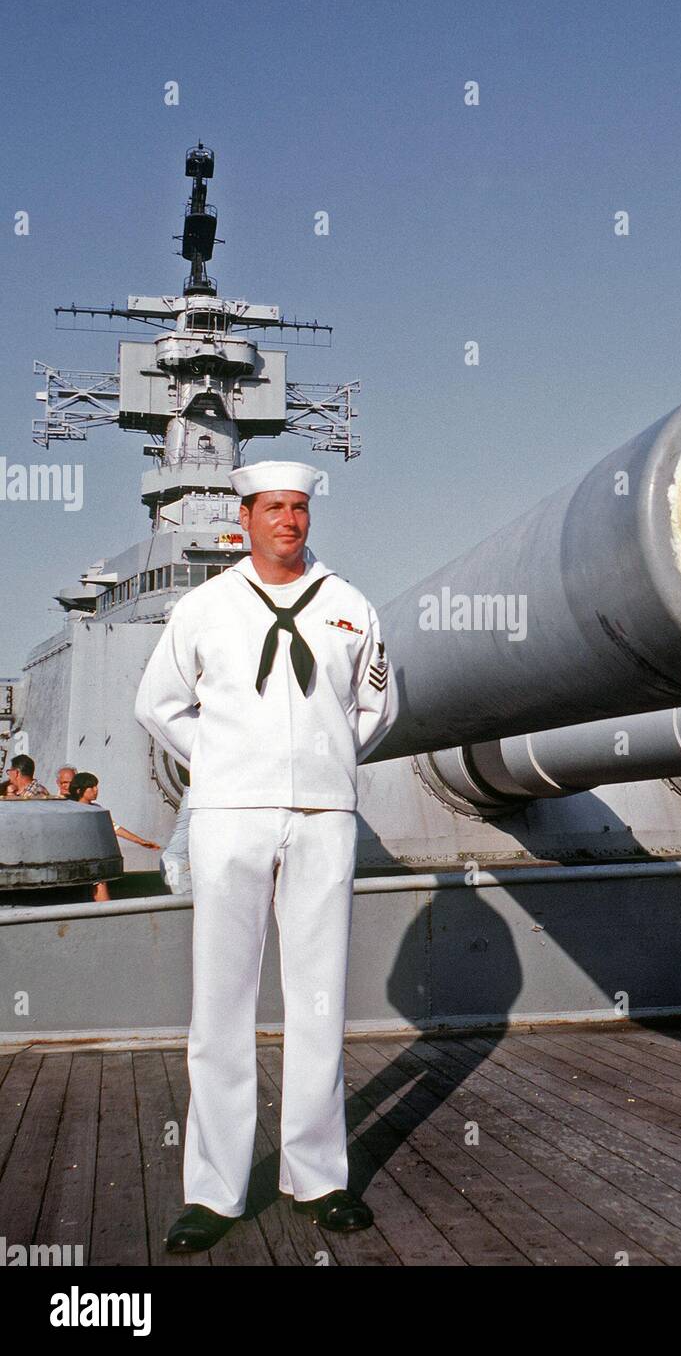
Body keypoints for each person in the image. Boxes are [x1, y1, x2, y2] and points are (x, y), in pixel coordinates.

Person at [134, 460, 398, 1255]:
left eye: (299, 508)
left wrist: (323, 761)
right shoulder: (205, 607)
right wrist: (221, 765)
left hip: (322, 816)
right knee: (221, 1003)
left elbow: (377, 706)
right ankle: (213, 1192)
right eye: (273, 508)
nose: (289, 521)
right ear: (243, 518)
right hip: (228, 816)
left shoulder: (350, 605)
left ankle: (318, 1178)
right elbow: (158, 703)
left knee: (317, 1000)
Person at [67, 771, 161, 901]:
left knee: (99, 885)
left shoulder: (97, 809)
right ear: (79, 790)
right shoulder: (69, 809)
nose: (96, 790)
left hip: (93, 862)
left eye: (96, 786)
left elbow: (114, 827)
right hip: (76, 862)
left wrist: (140, 841)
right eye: (92, 787)